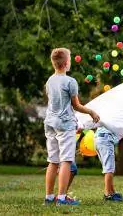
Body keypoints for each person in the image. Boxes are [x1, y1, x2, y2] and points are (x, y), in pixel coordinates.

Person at [44, 48, 100, 205]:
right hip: (65, 125)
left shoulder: (49, 81)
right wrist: (91, 112)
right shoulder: (70, 82)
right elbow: (76, 105)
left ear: (54, 63)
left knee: (53, 161)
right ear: (66, 63)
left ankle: (49, 197)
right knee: (66, 161)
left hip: (50, 123)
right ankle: (61, 198)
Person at [94, 126, 123, 201]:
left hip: (98, 138)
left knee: (107, 167)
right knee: (109, 168)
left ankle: (111, 191)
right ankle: (108, 194)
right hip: (106, 139)